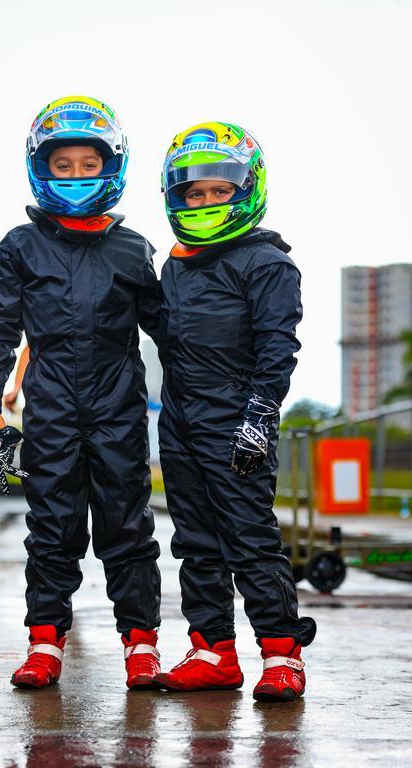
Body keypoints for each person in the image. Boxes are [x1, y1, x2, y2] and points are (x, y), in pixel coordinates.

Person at [0, 96, 162, 690]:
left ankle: (141, 645)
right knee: (52, 526)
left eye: (89, 163)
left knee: (126, 527)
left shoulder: (135, 250)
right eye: (63, 166)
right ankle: (44, 642)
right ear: (40, 169)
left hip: (119, 406)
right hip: (51, 405)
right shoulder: (19, 246)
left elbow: (173, 335)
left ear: (113, 166)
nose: (77, 175)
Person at [153, 122, 316, 701]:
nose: (204, 201)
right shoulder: (173, 266)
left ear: (245, 189)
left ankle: (282, 654)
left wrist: (259, 416)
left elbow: (279, 347)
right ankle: (213, 651)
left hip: (236, 422)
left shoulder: (267, 263)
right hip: (179, 421)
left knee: (249, 539)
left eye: (218, 191)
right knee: (195, 542)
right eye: (193, 194)